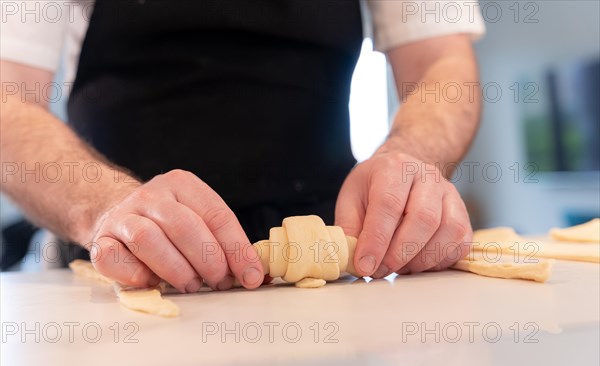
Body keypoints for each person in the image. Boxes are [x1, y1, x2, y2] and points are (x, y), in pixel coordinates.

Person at [1, 1, 485, 292]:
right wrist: (106, 207)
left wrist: (413, 157)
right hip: (121, 275)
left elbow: (439, 61)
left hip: (327, 272)